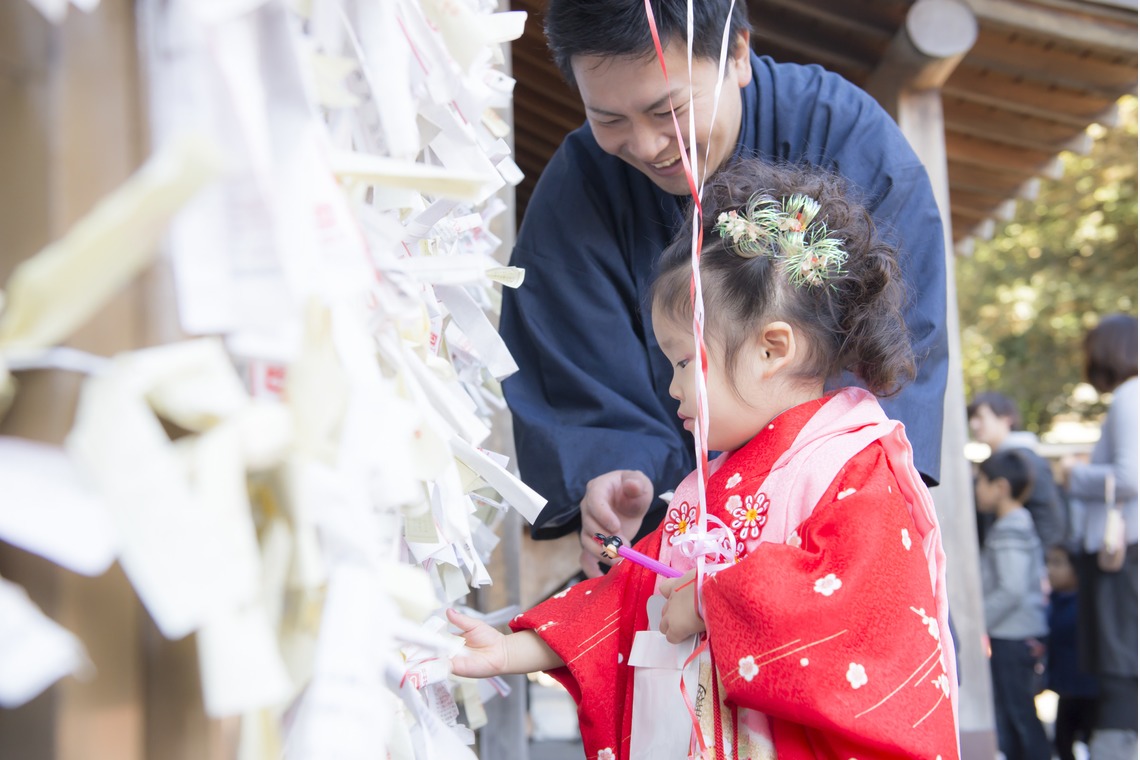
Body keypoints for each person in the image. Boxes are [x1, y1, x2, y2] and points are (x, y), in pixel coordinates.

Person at [450, 160, 959, 758]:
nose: (672, 388)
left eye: (685, 362)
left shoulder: (854, 463)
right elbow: (629, 598)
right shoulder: (710, 485)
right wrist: (509, 651)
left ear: (772, 349)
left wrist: (712, 599)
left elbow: (852, 607)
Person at [499, 0, 949, 577]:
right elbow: (576, 380)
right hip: (673, 546)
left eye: (667, 110)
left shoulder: (844, 135)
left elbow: (892, 346)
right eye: (608, 120)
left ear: (738, 53)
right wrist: (615, 477)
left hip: (827, 530)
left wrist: (812, 488)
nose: (646, 145)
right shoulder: (577, 192)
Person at [1061, 313, 1138, 760]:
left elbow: (1129, 477)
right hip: (1124, 551)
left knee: (1119, 665)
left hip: (1120, 552)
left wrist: (1077, 474)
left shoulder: (1129, 396)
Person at [974, 449, 1052, 760]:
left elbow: (1011, 589)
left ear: (1000, 487)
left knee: (1020, 717)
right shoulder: (1016, 523)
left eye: (981, 482)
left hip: (1013, 636)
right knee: (1017, 715)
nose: (977, 489)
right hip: (1016, 634)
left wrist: (978, 623)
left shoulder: (1010, 528)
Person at [967, 391, 1065, 551]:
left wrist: (1040, 559)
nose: (973, 424)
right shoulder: (999, 459)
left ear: (1006, 418)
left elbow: (1047, 517)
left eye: (980, 417)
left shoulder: (1026, 461)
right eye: (971, 418)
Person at [1044, 545, 1099, 760]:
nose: (1050, 570)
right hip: (1066, 689)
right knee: (1062, 743)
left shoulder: (1088, 605)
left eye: (1058, 563)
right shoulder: (1054, 602)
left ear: (1076, 569)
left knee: (1092, 744)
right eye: (1049, 563)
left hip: (1090, 691)